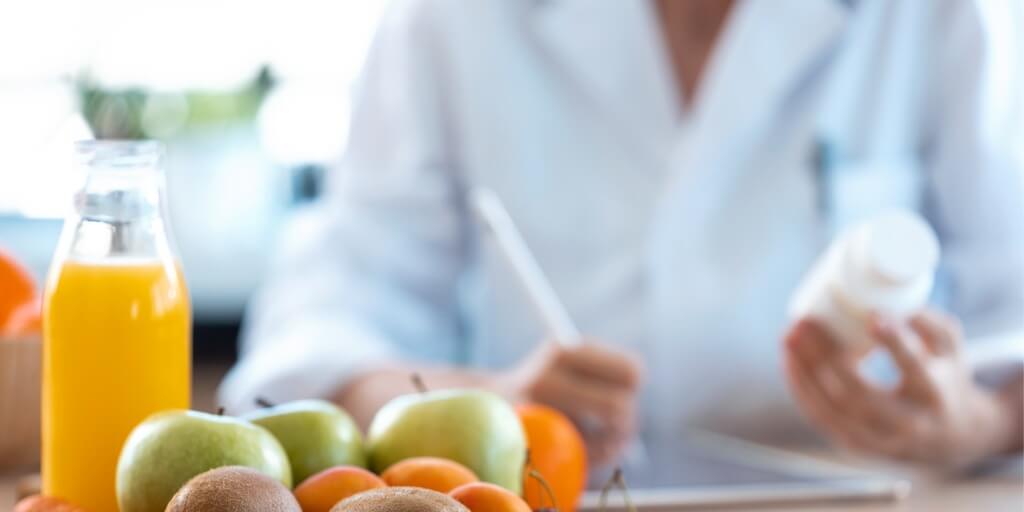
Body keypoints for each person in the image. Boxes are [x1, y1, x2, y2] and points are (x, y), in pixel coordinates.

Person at [221, 0, 1024, 469]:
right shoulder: (451, 22)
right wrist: (488, 408)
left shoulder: (937, 18)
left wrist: (976, 424)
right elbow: (317, 341)